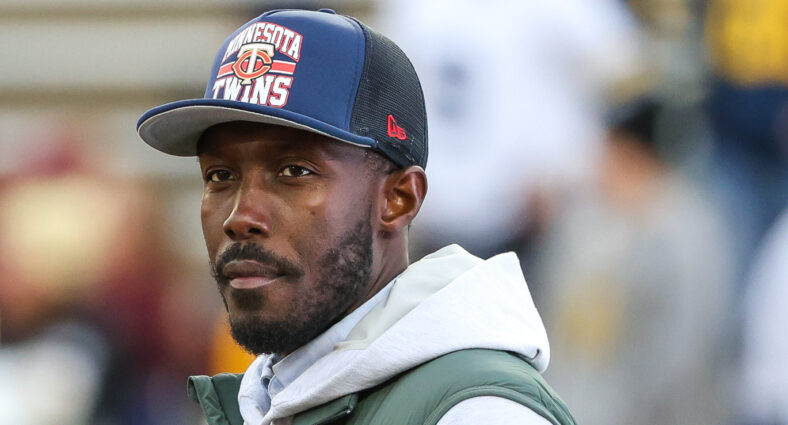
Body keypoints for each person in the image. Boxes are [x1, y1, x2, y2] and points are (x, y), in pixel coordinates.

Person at [137, 9, 574, 425]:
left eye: (294, 171)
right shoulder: (272, 394)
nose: (240, 217)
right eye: (220, 175)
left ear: (398, 199)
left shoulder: (479, 412)